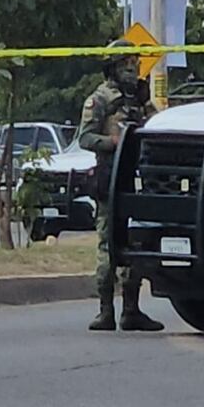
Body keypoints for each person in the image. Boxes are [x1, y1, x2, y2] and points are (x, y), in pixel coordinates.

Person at [79, 42, 164, 332]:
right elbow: (85, 138)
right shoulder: (100, 99)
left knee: (136, 243)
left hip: (139, 178)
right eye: (126, 62)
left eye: (135, 62)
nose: (133, 68)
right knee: (108, 245)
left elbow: (158, 124)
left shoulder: (139, 97)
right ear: (113, 67)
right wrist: (113, 143)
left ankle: (132, 310)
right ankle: (106, 311)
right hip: (110, 178)